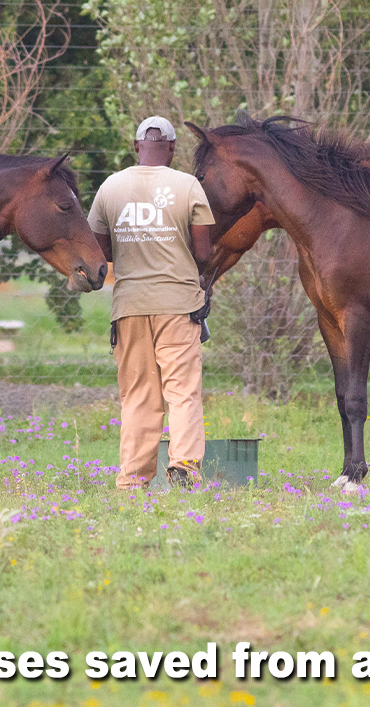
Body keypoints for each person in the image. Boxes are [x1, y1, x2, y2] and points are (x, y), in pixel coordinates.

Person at [88, 116, 215, 489]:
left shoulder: (110, 188)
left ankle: (133, 480)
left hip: (129, 306)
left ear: (136, 146)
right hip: (178, 305)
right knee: (182, 391)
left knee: (138, 396)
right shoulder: (188, 186)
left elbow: (100, 251)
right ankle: (184, 467)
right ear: (172, 148)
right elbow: (204, 253)